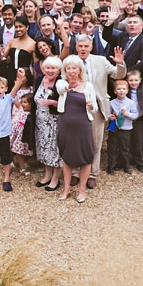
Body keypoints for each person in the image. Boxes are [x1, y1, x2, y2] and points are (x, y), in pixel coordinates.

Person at [59, 32, 126, 189]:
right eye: (80, 46)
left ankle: (92, 174)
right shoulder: (71, 61)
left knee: (95, 142)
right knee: (76, 141)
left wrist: (120, 64)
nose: (83, 49)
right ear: (76, 47)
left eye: (86, 46)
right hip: (74, 107)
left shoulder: (101, 60)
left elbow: (118, 74)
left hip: (96, 107)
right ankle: (75, 173)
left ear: (91, 47)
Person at [57, 56, 97, 203]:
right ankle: (66, 189)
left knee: (85, 157)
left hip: (83, 125)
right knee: (66, 156)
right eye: (69, 68)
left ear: (80, 69)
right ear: (65, 71)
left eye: (74, 68)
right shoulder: (62, 83)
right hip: (66, 125)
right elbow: (60, 90)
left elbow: (95, 108)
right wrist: (70, 85)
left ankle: (82, 190)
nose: (72, 71)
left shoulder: (88, 86)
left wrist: (91, 105)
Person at [34, 56, 63, 192]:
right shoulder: (40, 79)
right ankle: (47, 175)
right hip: (40, 121)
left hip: (54, 121)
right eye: (48, 68)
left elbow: (66, 103)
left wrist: (51, 102)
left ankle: (55, 178)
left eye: (53, 68)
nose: (50, 71)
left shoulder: (60, 83)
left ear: (58, 70)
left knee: (54, 149)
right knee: (43, 148)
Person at [107, 79, 140, 175]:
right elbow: (107, 115)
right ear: (115, 91)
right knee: (112, 148)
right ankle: (111, 167)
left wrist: (127, 114)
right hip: (114, 129)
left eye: (123, 89)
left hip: (126, 129)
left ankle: (126, 166)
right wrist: (111, 117)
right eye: (119, 89)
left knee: (125, 148)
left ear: (127, 90)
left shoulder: (130, 103)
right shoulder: (112, 103)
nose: (121, 91)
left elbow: (135, 115)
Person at [0, 15, 35, 88]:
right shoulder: (12, 42)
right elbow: (1, 59)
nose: (18, 29)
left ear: (27, 27)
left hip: (24, 78)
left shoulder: (33, 44)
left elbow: (36, 66)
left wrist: (34, 85)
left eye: (20, 26)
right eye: (16, 27)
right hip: (10, 76)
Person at [125, 69, 143, 172]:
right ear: (127, 80)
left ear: (140, 80)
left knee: (139, 141)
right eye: (131, 80)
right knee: (127, 141)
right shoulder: (126, 90)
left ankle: (139, 162)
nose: (133, 83)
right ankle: (125, 161)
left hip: (139, 119)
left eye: (136, 80)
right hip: (127, 119)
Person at [10, 92, 33, 175]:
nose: (22, 104)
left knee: (21, 153)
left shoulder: (31, 114)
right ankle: (10, 163)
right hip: (14, 135)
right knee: (10, 149)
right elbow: (13, 98)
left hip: (22, 137)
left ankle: (22, 167)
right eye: (22, 101)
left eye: (25, 102)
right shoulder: (20, 108)